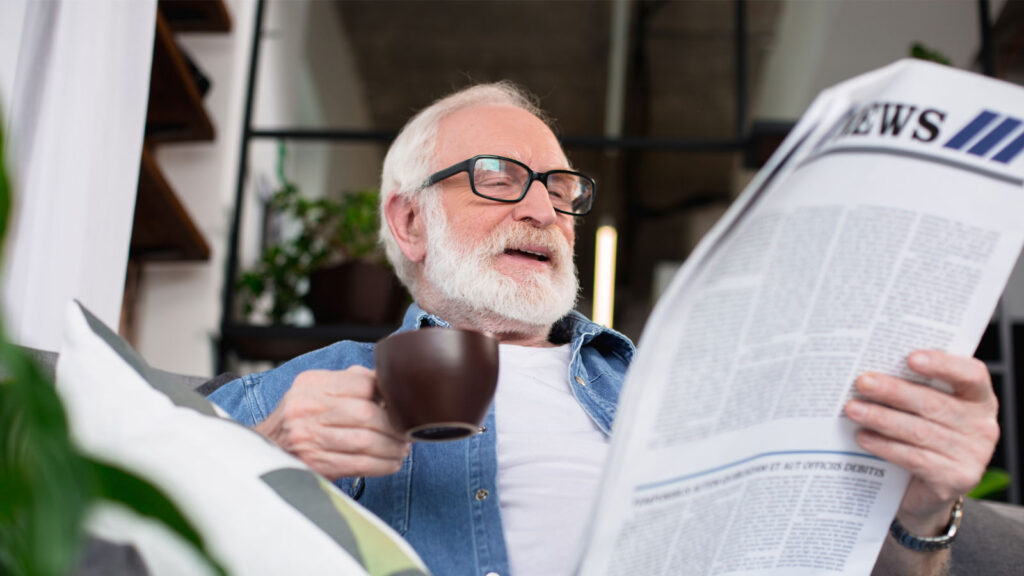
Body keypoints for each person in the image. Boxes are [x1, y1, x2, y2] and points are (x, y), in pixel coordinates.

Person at [209, 82, 1000, 576]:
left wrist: (927, 509)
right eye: (497, 178)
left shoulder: (685, 387)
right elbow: (119, 539)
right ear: (409, 220)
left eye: (558, 188)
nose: (540, 208)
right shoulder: (307, 388)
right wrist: (267, 458)